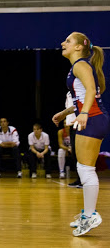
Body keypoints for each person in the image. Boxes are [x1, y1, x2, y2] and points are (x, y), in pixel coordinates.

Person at [52, 32, 109, 237]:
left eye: (67, 41)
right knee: (84, 168)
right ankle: (87, 213)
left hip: (92, 118)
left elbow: (92, 90)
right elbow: (82, 96)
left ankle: (91, 215)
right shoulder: (79, 66)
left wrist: (83, 113)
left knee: (85, 169)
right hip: (93, 117)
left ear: (78, 47)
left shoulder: (80, 65)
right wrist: (66, 112)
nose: (62, 43)